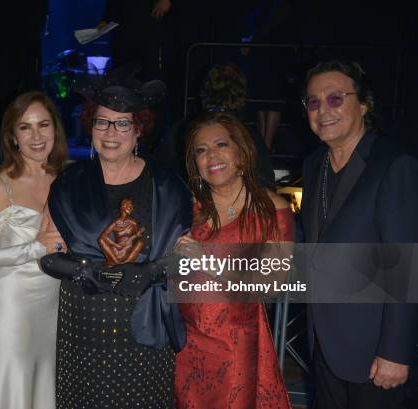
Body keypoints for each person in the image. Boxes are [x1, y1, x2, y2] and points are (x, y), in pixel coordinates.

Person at [38, 67, 192, 407]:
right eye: (102, 122)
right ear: (91, 126)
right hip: (84, 324)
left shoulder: (168, 187)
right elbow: (48, 254)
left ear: (138, 130)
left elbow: (188, 257)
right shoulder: (68, 184)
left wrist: (151, 272)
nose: (111, 132)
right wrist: (84, 271)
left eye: (123, 123)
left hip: (145, 326)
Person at [300, 60, 418, 409]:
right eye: (313, 102)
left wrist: (395, 352)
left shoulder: (394, 164)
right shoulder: (312, 165)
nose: (323, 110)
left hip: (375, 353)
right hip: (324, 343)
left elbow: (406, 267)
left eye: (336, 98)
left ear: (363, 104)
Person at [174, 111, 293, 408]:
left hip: (236, 345)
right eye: (201, 150)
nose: (211, 155)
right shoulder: (185, 207)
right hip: (183, 344)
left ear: (241, 152)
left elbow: (272, 285)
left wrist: (209, 264)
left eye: (221, 145)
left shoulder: (272, 209)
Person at [0, 91, 68, 408]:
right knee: (11, 380)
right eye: (25, 127)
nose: (36, 136)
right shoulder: (2, 185)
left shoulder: (63, 179)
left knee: (44, 381)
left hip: (53, 301)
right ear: (12, 136)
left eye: (44, 125)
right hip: (11, 304)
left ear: (55, 130)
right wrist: (34, 247)